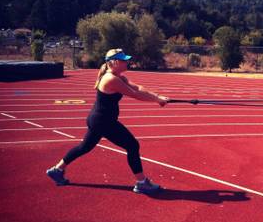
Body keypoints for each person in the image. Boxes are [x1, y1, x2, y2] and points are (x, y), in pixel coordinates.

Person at [46, 48, 170, 194]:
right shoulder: (111, 79)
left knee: (84, 147)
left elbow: (137, 87)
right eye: (124, 60)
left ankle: (57, 170)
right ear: (114, 62)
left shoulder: (119, 77)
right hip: (104, 122)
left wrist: (157, 96)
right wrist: (157, 100)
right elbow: (135, 94)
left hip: (98, 119)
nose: (127, 62)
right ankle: (142, 183)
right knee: (132, 145)